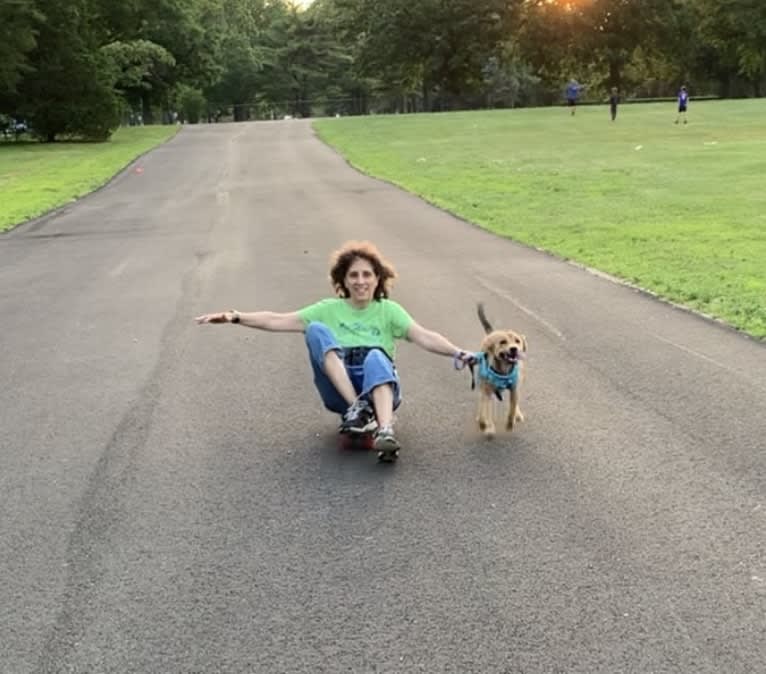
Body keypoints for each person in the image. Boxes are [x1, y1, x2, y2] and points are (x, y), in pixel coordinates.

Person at [195, 241, 475, 459]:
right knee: (315, 329)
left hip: (380, 388)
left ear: (378, 279)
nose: (360, 281)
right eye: (353, 275)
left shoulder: (389, 311)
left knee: (377, 355)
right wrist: (235, 316)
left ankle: (385, 429)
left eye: (367, 274)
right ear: (343, 281)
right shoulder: (327, 309)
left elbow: (424, 336)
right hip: (339, 391)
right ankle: (357, 410)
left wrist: (458, 353)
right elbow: (277, 319)